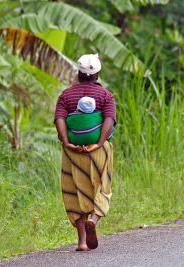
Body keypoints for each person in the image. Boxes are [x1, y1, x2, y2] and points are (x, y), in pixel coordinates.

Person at [54, 54, 116, 251]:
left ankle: (81, 241)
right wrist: (98, 143)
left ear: (79, 74)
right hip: (99, 152)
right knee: (102, 187)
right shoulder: (106, 96)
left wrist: (67, 142)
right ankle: (94, 221)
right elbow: (109, 120)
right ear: (97, 74)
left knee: (74, 191)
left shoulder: (66, 95)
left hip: (73, 152)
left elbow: (59, 119)